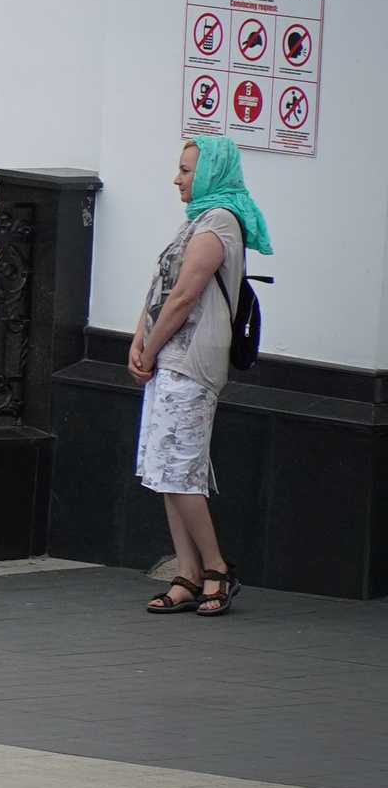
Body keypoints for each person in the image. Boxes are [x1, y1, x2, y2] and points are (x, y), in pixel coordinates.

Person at [130, 135, 267, 617]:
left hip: (191, 362)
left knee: (181, 471)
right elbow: (161, 288)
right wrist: (138, 340)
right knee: (166, 469)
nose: (177, 178)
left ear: (210, 173)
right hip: (168, 358)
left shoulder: (219, 223)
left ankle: (216, 569)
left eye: (186, 170)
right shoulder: (197, 221)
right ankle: (187, 573)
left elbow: (186, 296)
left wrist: (148, 347)